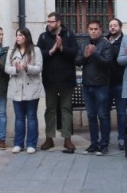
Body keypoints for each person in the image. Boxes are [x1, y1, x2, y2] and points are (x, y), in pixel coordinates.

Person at [37, 12, 79, 152]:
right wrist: (52, 50)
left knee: (66, 109)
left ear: (59, 22)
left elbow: (75, 53)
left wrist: (62, 48)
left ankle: (67, 138)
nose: (49, 24)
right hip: (49, 80)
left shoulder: (69, 35)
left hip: (67, 79)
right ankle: (49, 138)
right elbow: (38, 55)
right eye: (48, 21)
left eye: (51, 22)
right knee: (50, 109)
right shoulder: (43, 37)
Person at [75, 20, 113, 155]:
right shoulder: (84, 43)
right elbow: (77, 61)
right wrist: (85, 57)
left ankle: (104, 144)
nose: (93, 31)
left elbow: (107, 62)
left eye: (96, 29)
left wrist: (94, 53)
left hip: (102, 86)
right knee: (91, 115)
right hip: (87, 85)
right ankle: (93, 143)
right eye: (90, 29)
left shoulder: (106, 44)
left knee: (103, 115)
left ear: (100, 30)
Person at [4, 27, 42, 154]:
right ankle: (18, 144)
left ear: (26, 37)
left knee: (31, 117)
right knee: (19, 117)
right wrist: (16, 69)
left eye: (20, 35)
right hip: (16, 88)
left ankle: (31, 144)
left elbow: (39, 68)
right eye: (17, 35)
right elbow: (7, 68)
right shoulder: (12, 51)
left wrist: (27, 67)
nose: (18, 37)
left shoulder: (35, 50)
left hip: (31, 88)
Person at [106, 18, 127, 150]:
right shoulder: (104, 40)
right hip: (106, 82)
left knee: (122, 113)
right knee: (104, 112)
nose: (112, 28)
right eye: (110, 26)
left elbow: (120, 57)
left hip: (121, 82)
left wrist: (109, 47)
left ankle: (122, 139)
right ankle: (105, 139)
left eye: (115, 25)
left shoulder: (125, 41)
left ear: (120, 27)